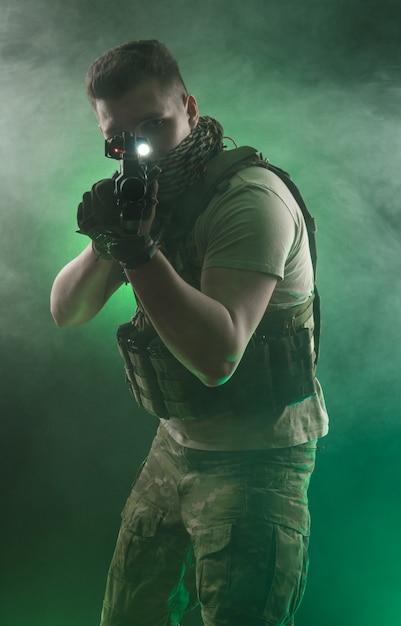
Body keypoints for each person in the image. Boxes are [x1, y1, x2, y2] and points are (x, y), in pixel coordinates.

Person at [50, 39, 328, 626]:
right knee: (127, 616)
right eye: (120, 138)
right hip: (177, 443)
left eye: (154, 125)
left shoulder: (248, 200)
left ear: (191, 108)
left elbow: (218, 357)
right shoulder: (147, 194)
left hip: (257, 458)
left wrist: (137, 249)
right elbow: (67, 311)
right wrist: (109, 238)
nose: (139, 148)